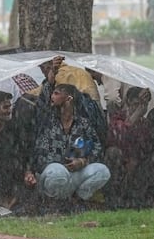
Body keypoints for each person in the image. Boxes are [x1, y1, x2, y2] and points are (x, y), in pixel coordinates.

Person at [26, 83, 110, 211]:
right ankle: (54, 203)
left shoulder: (83, 124)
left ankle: (78, 200)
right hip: (52, 174)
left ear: (69, 99)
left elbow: (96, 147)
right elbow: (38, 153)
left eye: (56, 93)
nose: (52, 97)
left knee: (102, 171)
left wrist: (82, 161)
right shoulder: (47, 120)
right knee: (58, 173)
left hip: (75, 174)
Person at [102, 87, 154, 209]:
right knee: (113, 152)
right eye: (136, 104)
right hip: (121, 170)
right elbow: (119, 136)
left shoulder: (146, 124)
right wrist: (137, 113)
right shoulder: (117, 118)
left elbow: (149, 150)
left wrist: (136, 160)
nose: (140, 108)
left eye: (142, 106)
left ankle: (146, 197)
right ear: (128, 102)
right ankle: (114, 200)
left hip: (139, 171)